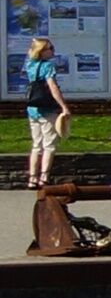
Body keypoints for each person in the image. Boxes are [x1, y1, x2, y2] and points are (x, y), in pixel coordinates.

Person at [20, 35, 67, 192]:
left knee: (36, 145)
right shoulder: (48, 66)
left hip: (33, 109)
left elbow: (30, 52)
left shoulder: (30, 65)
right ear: (42, 51)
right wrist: (63, 106)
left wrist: (34, 45)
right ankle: (44, 177)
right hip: (47, 108)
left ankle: (32, 178)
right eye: (50, 48)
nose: (53, 51)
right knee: (49, 145)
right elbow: (52, 87)